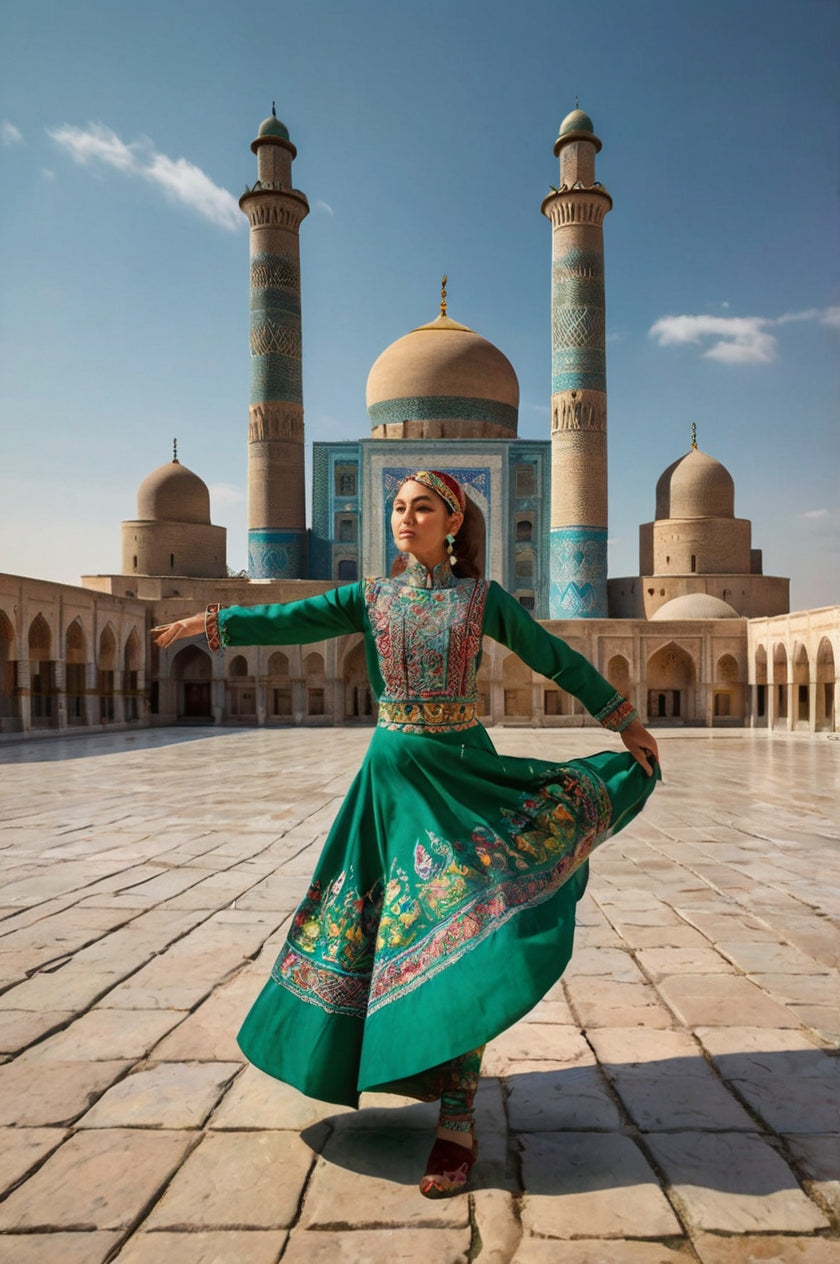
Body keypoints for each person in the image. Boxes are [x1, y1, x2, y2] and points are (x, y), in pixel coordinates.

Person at [153, 470, 660, 1198]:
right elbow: (293, 620)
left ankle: (458, 1116)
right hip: (389, 787)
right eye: (396, 507)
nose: (404, 518)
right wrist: (211, 625)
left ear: (453, 522)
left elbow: (553, 656)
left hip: (460, 777)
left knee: (475, 933)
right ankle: (401, 1061)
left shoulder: (481, 601)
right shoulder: (370, 599)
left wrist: (622, 718)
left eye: (421, 507)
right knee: (378, 935)